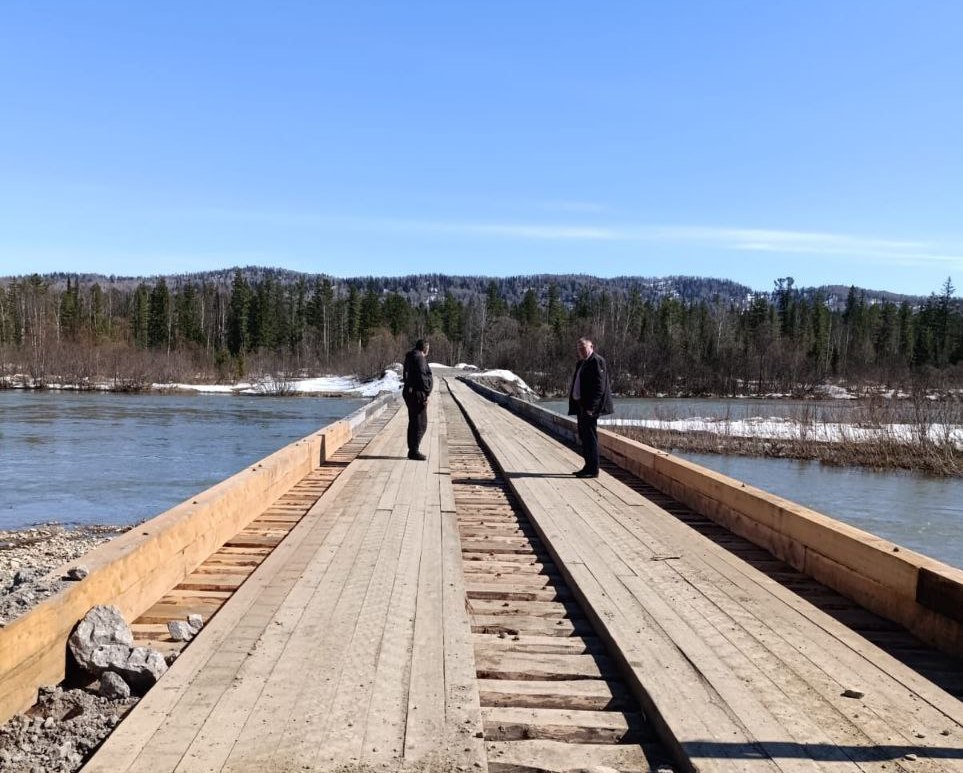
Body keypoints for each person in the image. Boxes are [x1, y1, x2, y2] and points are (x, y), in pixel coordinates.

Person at [567, 337, 614, 477]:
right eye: (579, 349)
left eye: (584, 348)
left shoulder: (597, 361)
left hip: (590, 408)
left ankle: (593, 470)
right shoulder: (581, 362)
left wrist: (591, 409)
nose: (581, 350)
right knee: (584, 437)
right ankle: (587, 467)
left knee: (590, 438)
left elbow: (600, 387)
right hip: (582, 406)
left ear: (591, 347)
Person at [402, 339, 433, 460]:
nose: (428, 351)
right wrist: (426, 393)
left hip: (410, 392)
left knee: (414, 421)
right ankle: (414, 451)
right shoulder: (419, 358)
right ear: (424, 348)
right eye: (428, 349)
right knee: (420, 423)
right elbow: (422, 377)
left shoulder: (410, 357)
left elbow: (406, 375)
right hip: (417, 394)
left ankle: (413, 449)